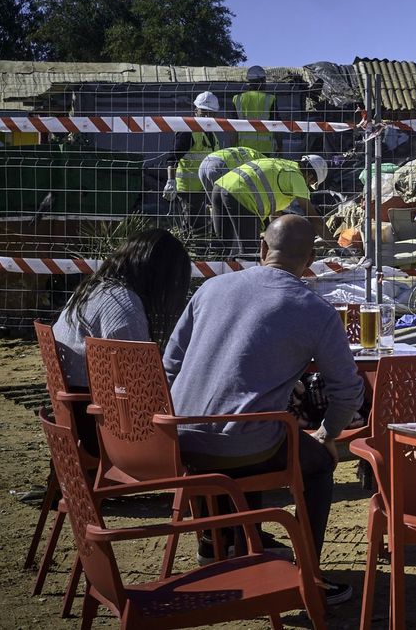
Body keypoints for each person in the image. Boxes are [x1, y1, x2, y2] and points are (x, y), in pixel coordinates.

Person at [163, 213, 361, 605]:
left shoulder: (210, 289)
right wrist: (327, 435)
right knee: (316, 463)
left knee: (244, 434)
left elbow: (169, 365)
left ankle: (215, 542)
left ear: (261, 248)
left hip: (177, 437)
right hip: (245, 441)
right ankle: (309, 574)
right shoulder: (315, 309)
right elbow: (347, 391)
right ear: (309, 262)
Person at [51, 228, 191, 448]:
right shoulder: (123, 307)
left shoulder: (92, 290)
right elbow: (143, 385)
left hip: (77, 415)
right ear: (158, 274)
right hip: (105, 428)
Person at [208, 153, 329, 255]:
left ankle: (216, 277)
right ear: (311, 176)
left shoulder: (281, 164)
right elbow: (314, 220)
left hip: (220, 187)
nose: (308, 185)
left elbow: (274, 215)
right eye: (312, 183)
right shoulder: (297, 177)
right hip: (242, 196)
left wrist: (275, 239)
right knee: (250, 252)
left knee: (225, 245)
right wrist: (336, 246)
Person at [165, 92, 222, 228]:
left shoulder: (211, 133)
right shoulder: (188, 131)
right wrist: (170, 181)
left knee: (201, 225)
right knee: (192, 225)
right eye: (204, 112)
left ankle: (198, 248)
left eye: (211, 113)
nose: (207, 116)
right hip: (188, 189)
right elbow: (172, 158)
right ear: (195, 110)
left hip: (203, 189)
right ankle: (191, 248)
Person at [232, 65, 277, 155]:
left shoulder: (237, 99)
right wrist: (280, 146)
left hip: (243, 149)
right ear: (261, 81)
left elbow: (233, 127)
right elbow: (277, 126)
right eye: (264, 81)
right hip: (265, 149)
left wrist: (232, 147)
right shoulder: (270, 99)